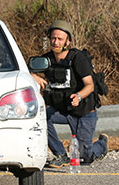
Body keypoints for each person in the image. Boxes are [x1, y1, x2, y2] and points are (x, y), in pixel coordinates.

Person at [31, 20, 109, 167]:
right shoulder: (46, 59)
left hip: (83, 111)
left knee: (85, 157)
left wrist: (79, 96)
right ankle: (60, 154)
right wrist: (34, 76)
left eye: (60, 39)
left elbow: (90, 85)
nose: (55, 42)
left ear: (68, 41)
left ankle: (102, 145)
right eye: (53, 38)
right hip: (63, 110)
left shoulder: (77, 58)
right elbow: (24, 71)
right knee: (40, 116)